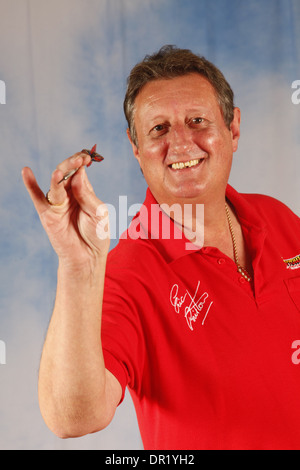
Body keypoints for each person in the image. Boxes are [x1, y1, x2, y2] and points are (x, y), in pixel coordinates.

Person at [22, 45, 300, 450]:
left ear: (233, 129)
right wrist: (77, 268)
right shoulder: (128, 273)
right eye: (159, 129)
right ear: (137, 149)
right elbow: (72, 417)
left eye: (197, 121)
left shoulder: (278, 219)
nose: (182, 143)